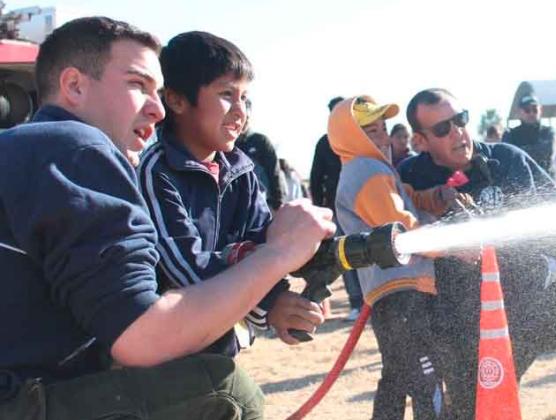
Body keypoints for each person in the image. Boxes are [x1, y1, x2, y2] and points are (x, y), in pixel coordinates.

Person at [0, 17, 335, 419]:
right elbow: (142, 337)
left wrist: (277, 288)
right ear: (74, 86)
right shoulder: (74, 144)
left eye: (157, 91)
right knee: (226, 388)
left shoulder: (25, 147)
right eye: (137, 85)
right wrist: (280, 253)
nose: (158, 110)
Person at [400, 88, 556, 420]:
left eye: (460, 120)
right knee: (472, 413)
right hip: (467, 329)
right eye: (441, 129)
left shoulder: (508, 161)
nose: (457, 132)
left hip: (534, 309)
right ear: (420, 141)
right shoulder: (408, 179)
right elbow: (392, 241)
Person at [138, 31, 323, 352]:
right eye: (227, 95)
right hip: (168, 347)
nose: (241, 112)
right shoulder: (157, 169)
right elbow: (187, 271)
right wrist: (269, 306)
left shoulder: (241, 169)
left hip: (220, 338)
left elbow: (260, 242)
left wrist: (283, 291)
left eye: (245, 98)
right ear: (177, 99)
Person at [329, 95, 460, 419]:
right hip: (403, 293)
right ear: (351, 137)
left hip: (391, 295)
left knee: (397, 379)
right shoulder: (367, 171)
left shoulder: (369, 169)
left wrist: (436, 198)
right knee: (426, 379)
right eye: (371, 131)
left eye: (383, 128)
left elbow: (406, 201)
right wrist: (454, 246)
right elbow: (401, 229)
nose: (383, 137)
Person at [310, 96, 364, 321]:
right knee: (346, 257)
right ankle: (356, 303)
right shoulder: (324, 143)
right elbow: (315, 177)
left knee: (371, 252)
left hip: (364, 208)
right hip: (336, 211)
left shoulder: (361, 137)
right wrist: (321, 209)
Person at [235, 100, 287, 211]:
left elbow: (274, 172)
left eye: (246, 118)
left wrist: (278, 202)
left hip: (261, 203)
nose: (242, 122)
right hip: (236, 204)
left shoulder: (260, 141)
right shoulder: (228, 144)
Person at [503, 94, 556, 174]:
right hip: (519, 183)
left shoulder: (548, 132)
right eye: (527, 110)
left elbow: (546, 153)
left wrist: (519, 151)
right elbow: (508, 156)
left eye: (535, 110)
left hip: (545, 182)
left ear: (540, 110)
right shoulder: (510, 133)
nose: (531, 113)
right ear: (519, 112)